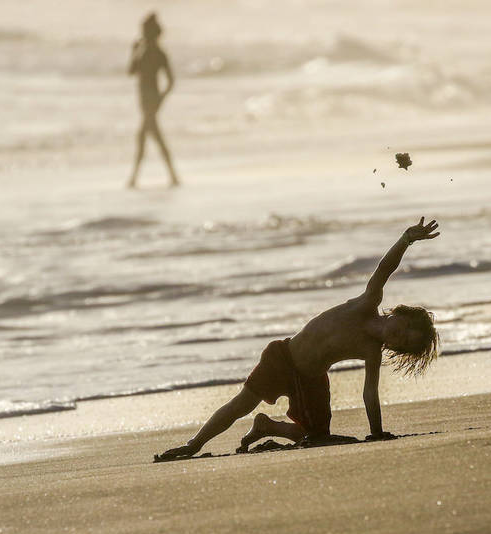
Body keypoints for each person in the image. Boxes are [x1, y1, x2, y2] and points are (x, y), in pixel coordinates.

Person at [156, 218, 442, 461]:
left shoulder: (371, 351)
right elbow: (384, 269)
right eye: (404, 328)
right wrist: (406, 239)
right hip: (283, 357)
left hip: (312, 379)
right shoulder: (367, 303)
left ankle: (267, 427)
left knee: (318, 436)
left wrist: (376, 431)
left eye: (403, 343)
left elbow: (370, 393)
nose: (398, 336)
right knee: (241, 404)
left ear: (397, 350)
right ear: (397, 312)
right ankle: (193, 444)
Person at [127, 12, 180, 188]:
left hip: (151, 100)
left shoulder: (158, 53)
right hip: (144, 100)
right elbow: (131, 72)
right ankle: (173, 176)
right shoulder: (142, 52)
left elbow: (171, 81)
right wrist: (133, 52)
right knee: (155, 136)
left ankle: (134, 178)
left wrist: (161, 99)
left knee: (143, 136)